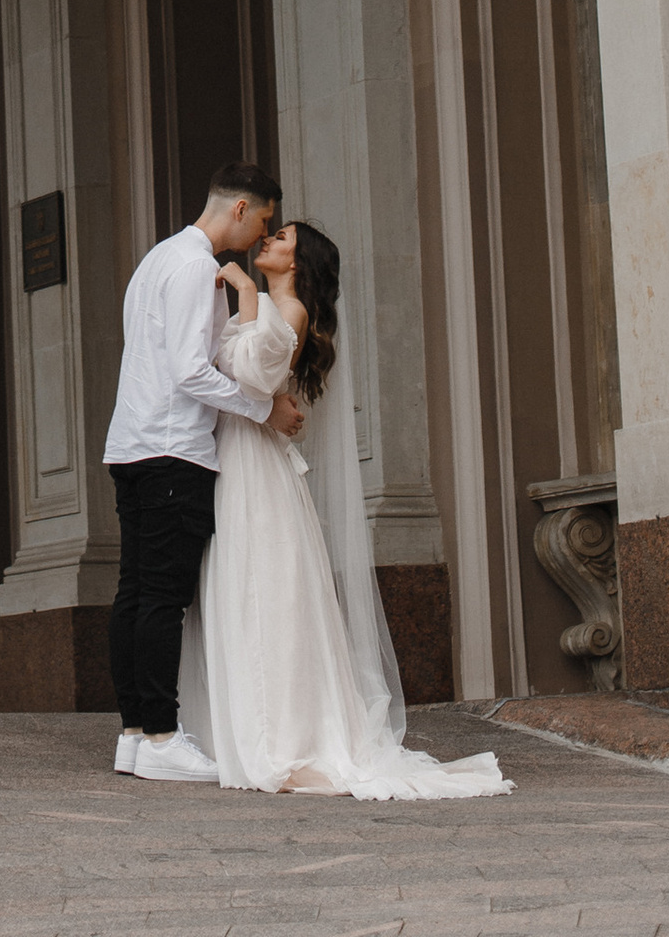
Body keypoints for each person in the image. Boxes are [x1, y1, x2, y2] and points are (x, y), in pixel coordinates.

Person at [180, 216, 509, 800]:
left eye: (280, 239)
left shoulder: (292, 311)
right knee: (241, 586)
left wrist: (249, 293)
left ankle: (283, 734)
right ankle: (243, 726)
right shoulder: (258, 309)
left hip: (257, 468)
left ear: (298, 264)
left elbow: (254, 376)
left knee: (268, 592)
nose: (268, 241)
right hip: (235, 456)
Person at [103, 162, 302, 783]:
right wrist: (262, 408)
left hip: (132, 443)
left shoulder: (157, 258)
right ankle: (161, 735)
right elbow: (191, 370)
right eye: (264, 220)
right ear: (240, 209)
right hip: (173, 448)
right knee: (161, 597)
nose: (261, 234)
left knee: (135, 592)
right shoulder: (195, 267)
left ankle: (136, 733)